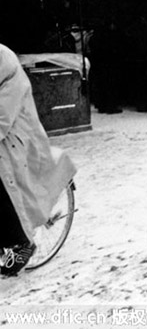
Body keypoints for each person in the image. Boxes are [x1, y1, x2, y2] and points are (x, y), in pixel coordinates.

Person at [0, 43, 77, 276]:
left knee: (3, 188)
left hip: (14, 136)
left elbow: (3, 114)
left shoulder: (5, 62)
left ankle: (21, 242)